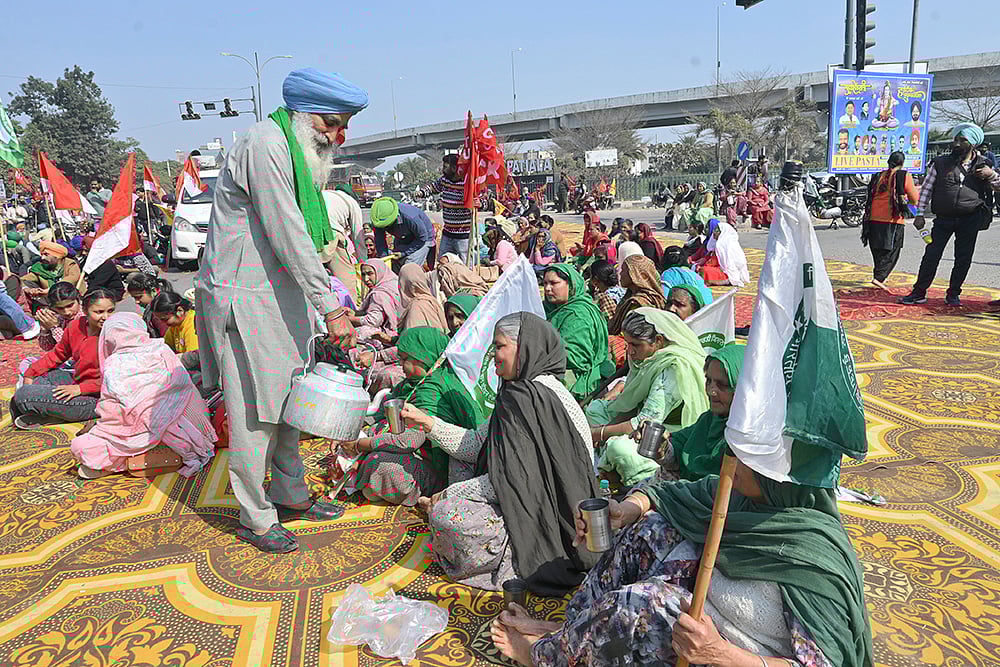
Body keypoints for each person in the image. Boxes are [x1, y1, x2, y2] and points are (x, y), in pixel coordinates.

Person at [196, 67, 366, 553]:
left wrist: (330, 295)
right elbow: (287, 230)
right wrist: (331, 305)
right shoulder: (265, 144)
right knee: (254, 412)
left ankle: (291, 493)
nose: (340, 134)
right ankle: (255, 514)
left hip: (281, 294)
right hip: (247, 297)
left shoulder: (296, 150)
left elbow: (306, 238)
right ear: (305, 115)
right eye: (334, 122)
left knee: (292, 401)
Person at [492, 456, 873, 667]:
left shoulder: (814, 563)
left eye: (749, 456)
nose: (733, 459)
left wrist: (722, 653)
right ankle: (571, 630)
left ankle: (543, 658)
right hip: (708, 623)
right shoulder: (744, 499)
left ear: (782, 477)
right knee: (651, 530)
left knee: (643, 604)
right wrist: (625, 509)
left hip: (738, 656)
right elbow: (674, 494)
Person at [401, 312, 600, 594]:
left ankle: (512, 558)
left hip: (554, 515)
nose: (493, 354)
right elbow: (473, 446)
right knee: (458, 466)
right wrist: (427, 423)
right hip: (531, 496)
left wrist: (448, 495)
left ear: (525, 346)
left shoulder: (530, 397)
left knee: (447, 516)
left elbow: (511, 481)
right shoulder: (519, 389)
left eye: (499, 346)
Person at [335, 327, 484, 506]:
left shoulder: (432, 390)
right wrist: (348, 432)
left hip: (436, 465)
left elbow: (408, 441)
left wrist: (360, 445)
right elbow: (381, 414)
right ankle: (368, 476)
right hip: (411, 450)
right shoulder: (411, 384)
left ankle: (416, 489)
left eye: (406, 359)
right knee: (365, 456)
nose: (401, 365)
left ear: (425, 358)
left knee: (385, 468)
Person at [69, 312, 217, 480]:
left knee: (81, 445)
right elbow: (182, 385)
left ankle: (122, 461)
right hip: (188, 434)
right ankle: (164, 452)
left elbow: (112, 411)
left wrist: (102, 428)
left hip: (141, 435)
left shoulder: (113, 363)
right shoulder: (162, 349)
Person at [587, 307, 709, 487]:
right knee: (595, 410)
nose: (630, 351)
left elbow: (643, 423)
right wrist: (604, 429)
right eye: (628, 343)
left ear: (658, 341)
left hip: (669, 436)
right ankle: (609, 461)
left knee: (619, 449)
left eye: (636, 345)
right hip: (643, 426)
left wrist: (598, 433)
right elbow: (630, 404)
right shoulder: (647, 359)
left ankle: (627, 471)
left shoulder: (673, 367)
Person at [900, 123, 1000, 306]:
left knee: (963, 258)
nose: (957, 144)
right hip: (943, 219)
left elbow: (998, 186)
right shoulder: (941, 162)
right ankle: (919, 292)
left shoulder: (984, 164)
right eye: (956, 139)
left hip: (970, 219)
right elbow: (927, 189)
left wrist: (991, 174)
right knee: (931, 255)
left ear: (973, 144)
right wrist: (920, 213)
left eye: (963, 140)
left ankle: (953, 294)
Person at [12, 288, 116, 429]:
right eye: (99, 312)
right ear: (85, 310)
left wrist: (80, 389)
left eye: (110, 311)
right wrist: (30, 373)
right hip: (79, 380)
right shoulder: (76, 326)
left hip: (101, 397)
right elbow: (58, 354)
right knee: (39, 379)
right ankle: (52, 413)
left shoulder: (116, 334)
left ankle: (54, 414)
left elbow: (120, 377)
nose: (106, 317)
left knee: (24, 395)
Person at [542, 264, 613, 400]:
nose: (547, 288)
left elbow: (574, 358)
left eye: (554, 283)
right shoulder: (552, 308)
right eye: (545, 283)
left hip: (575, 376)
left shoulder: (578, 314)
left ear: (571, 285)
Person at [861, 151, 920, 290]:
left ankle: (878, 277)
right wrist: (906, 201)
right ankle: (879, 278)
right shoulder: (903, 175)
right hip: (891, 218)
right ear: (902, 163)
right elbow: (915, 198)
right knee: (893, 250)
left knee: (878, 249)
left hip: (872, 218)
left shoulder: (878, 176)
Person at [423, 154, 473, 262]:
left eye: (446, 167)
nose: (443, 169)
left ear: (454, 168)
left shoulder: (467, 183)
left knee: (466, 264)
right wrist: (421, 193)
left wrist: (480, 203)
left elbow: (482, 200)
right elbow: (432, 188)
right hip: (447, 234)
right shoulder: (444, 181)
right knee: (443, 263)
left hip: (463, 235)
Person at [321, 187, 367, 300]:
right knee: (346, 277)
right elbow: (358, 237)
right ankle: (350, 307)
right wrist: (363, 263)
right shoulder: (352, 203)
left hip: (308, 232)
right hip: (330, 233)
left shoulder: (325, 194)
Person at [608, 255, 668, 335]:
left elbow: (628, 336)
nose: (620, 273)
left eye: (624, 270)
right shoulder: (629, 296)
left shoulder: (639, 304)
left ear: (635, 274)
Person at [371, 196, 436, 270]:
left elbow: (422, 238)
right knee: (395, 264)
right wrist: (385, 259)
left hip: (423, 239)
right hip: (403, 236)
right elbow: (380, 241)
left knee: (409, 268)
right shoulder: (377, 219)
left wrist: (404, 253)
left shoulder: (411, 217)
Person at [23, 241, 84, 311]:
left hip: (74, 302)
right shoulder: (40, 268)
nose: (42, 258)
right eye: (42, 254)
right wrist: (28, 289)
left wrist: (50, 290)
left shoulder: (70, 264)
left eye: (46, 254)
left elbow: (71, 279)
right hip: (55, 305)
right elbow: (22, 280)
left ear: (57, 256)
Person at [350, 259, 401, 342]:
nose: (366, 279)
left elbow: (374, 321)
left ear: (379, 272)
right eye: (363, 274)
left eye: (370, 274)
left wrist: (350, 319)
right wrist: (355, 313)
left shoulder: (379, 293)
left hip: (391, 335)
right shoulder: (394, 282)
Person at [695, 221, 751, 288]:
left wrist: (701, 266)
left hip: (727, 272)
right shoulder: (718, 243)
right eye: (714, 230)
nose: (714, 233)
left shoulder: (723, 245)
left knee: (704, 270)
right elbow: (709, 257)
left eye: (717, 231)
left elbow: (715, 262)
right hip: (719, 268)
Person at [660, 246, 713, 310]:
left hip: (691, 313)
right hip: (708, 310)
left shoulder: (668, 274)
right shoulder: (695, 274)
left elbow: (664, 299)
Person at [588, 259, 626, 325]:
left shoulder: (605, 298)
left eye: (590, 276)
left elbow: (609, 322)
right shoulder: (621, 290)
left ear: (596, 279)